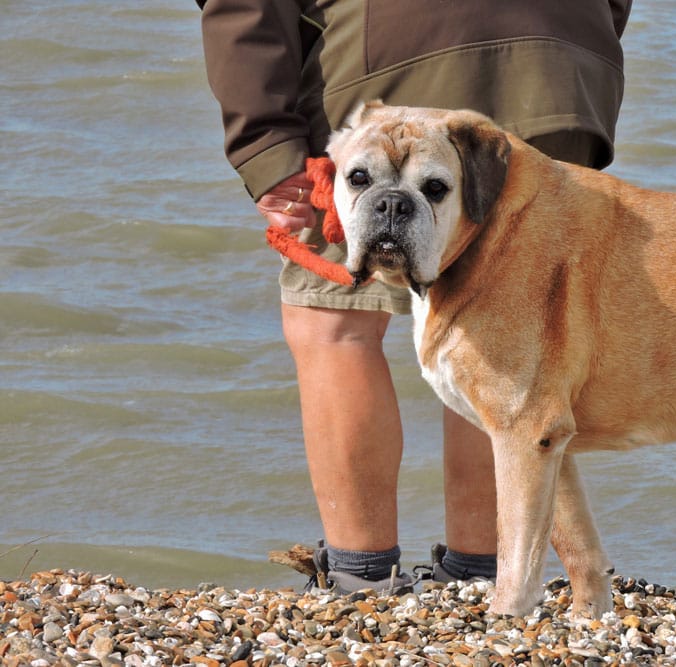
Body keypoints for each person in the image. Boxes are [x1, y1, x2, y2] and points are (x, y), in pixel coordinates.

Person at [199, 0, 631, 593]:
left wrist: (263, 142)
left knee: (334, 321)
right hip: (563, 65)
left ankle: (360, 577)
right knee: (501, 334)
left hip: (388, 59)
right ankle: (480, 576)